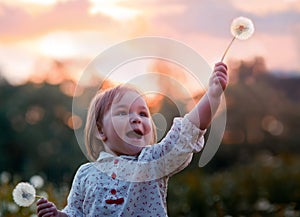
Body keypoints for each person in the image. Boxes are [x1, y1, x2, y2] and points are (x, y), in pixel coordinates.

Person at [37, 62, 228, 217]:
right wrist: (58, 215)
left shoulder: (152, 161)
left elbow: (186, 132)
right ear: (100, 130)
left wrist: (212, 96)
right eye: (122, 112)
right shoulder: (85, 174)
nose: (136, 118)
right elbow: (76, 212)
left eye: (143, 114)